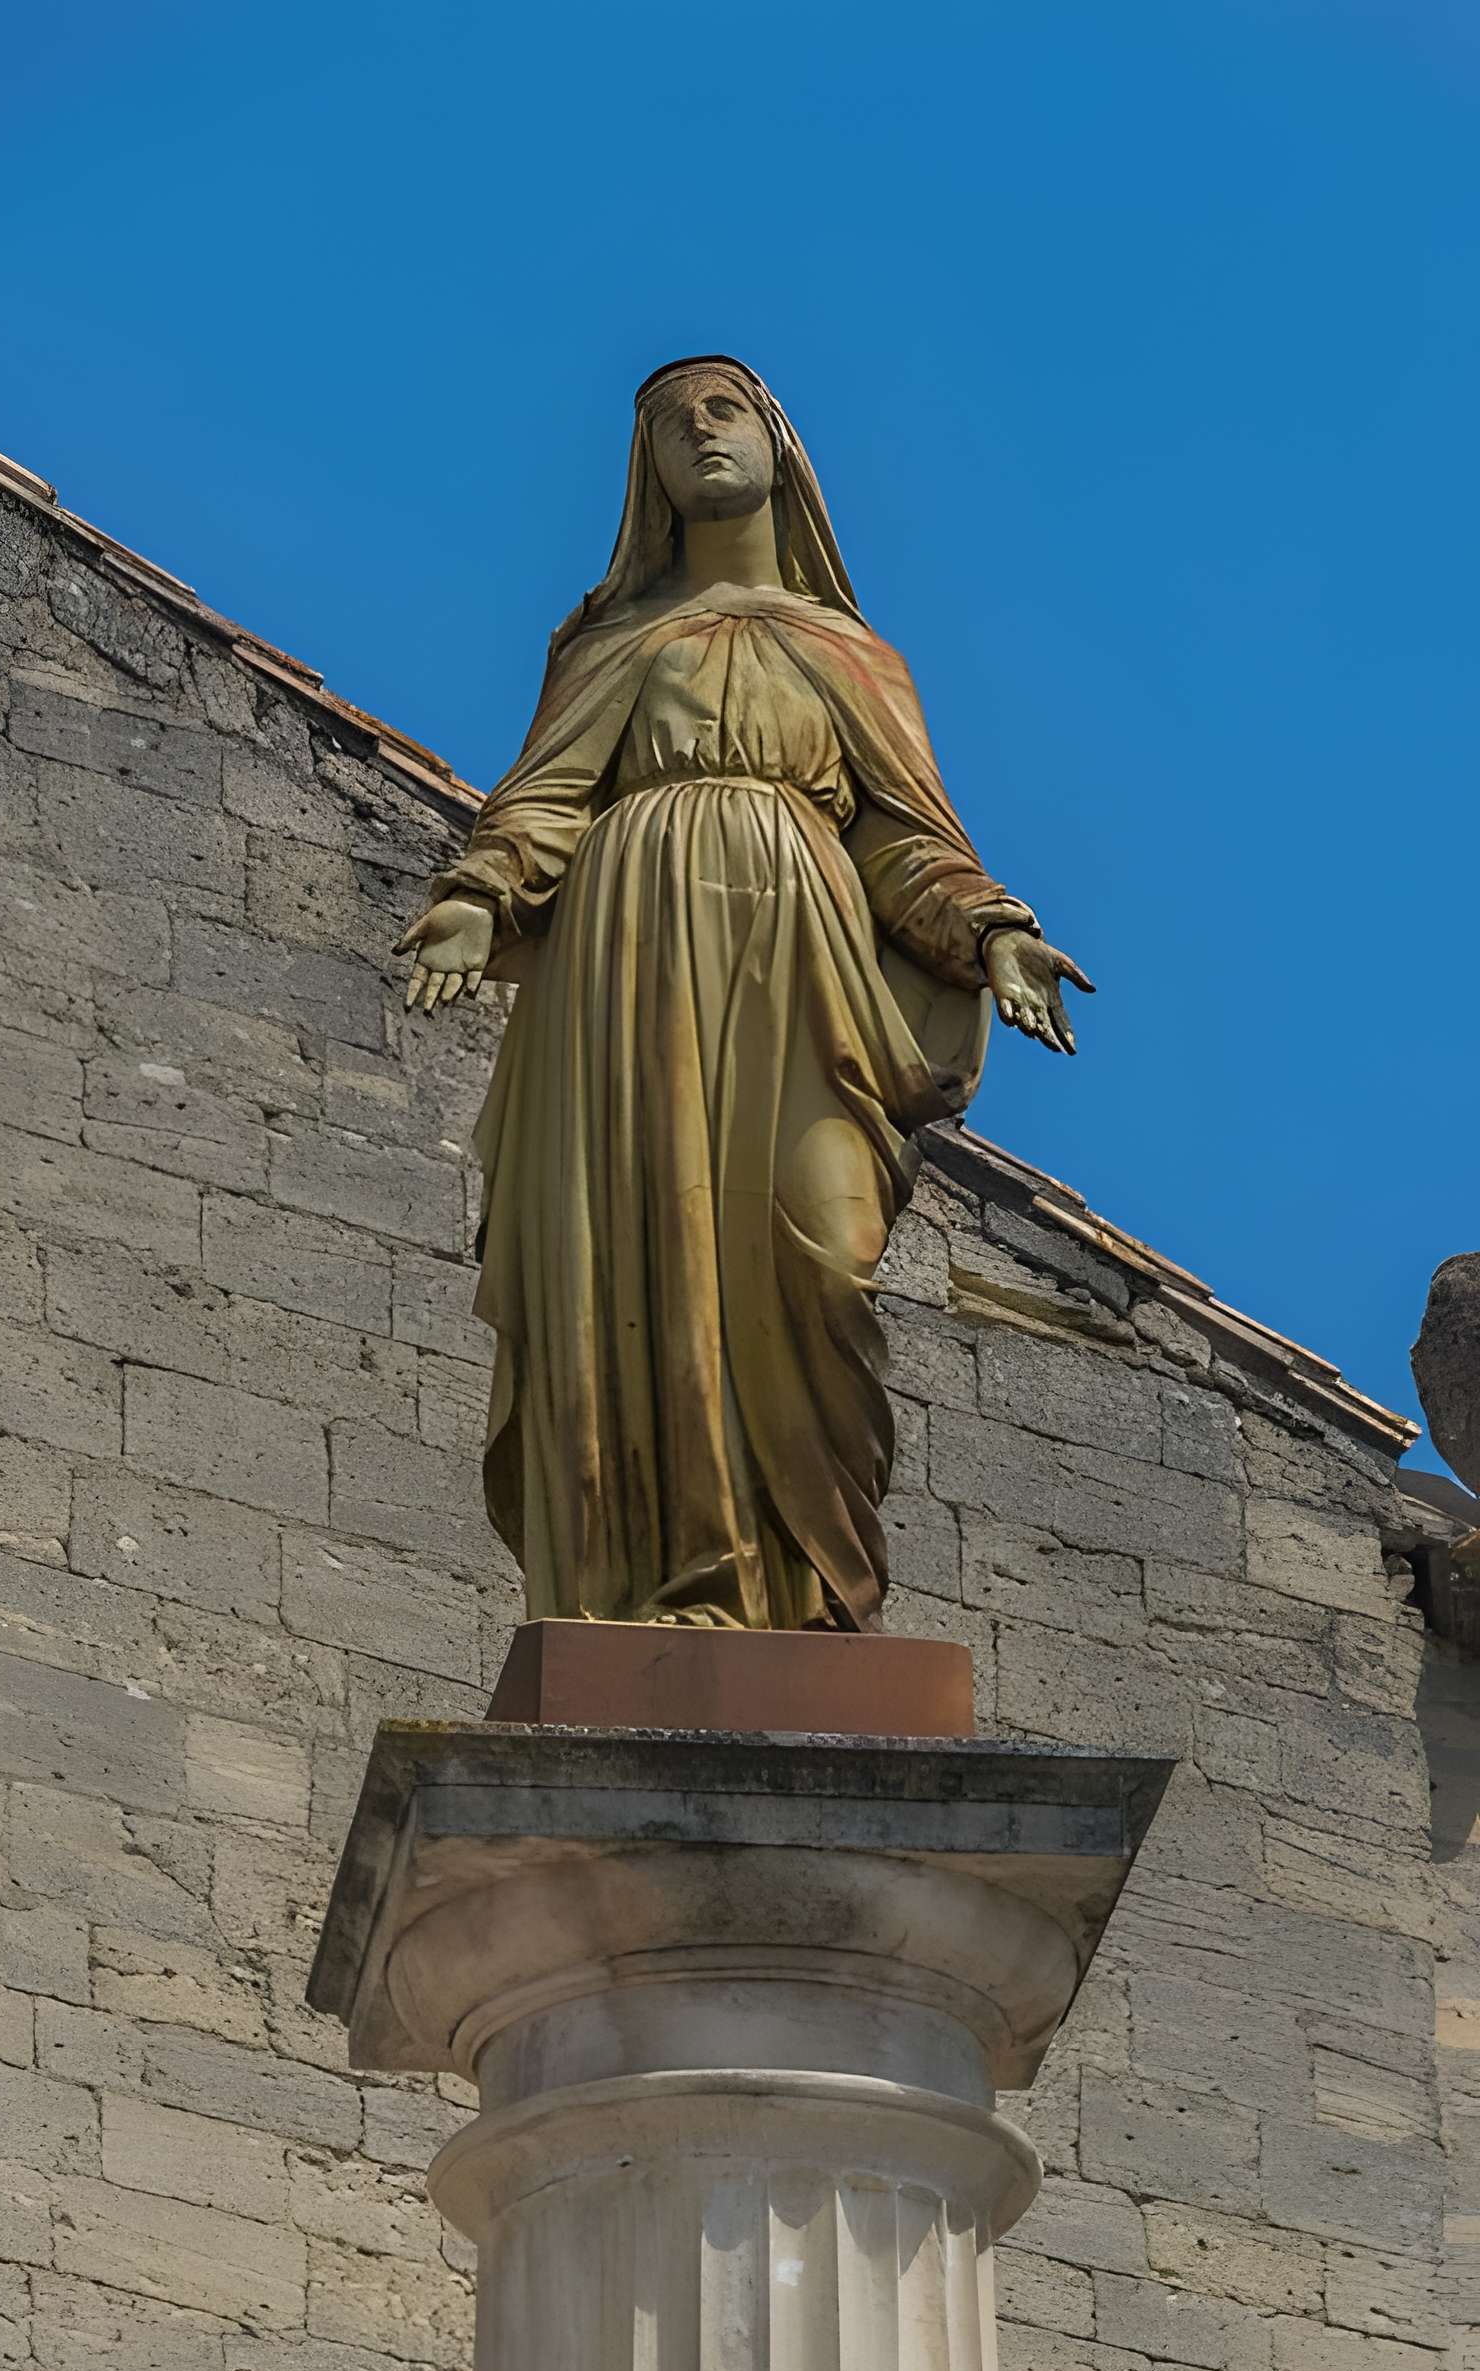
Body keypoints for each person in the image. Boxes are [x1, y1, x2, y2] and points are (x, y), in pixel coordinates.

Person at [394, 357, 1090, 1631]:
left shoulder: (850, 653)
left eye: (723, 412)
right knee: (643, 1265)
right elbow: (547, 797)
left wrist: (991, 931)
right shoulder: (612, 641)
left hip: (803, 974)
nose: (698, 434)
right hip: (627, 970)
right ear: (645, 471)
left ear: (779, 444)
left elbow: (901, 841)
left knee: (821, 1257)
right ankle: (667, 1587)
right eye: (670, 425)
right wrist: (479, 896)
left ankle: (808, 1595)